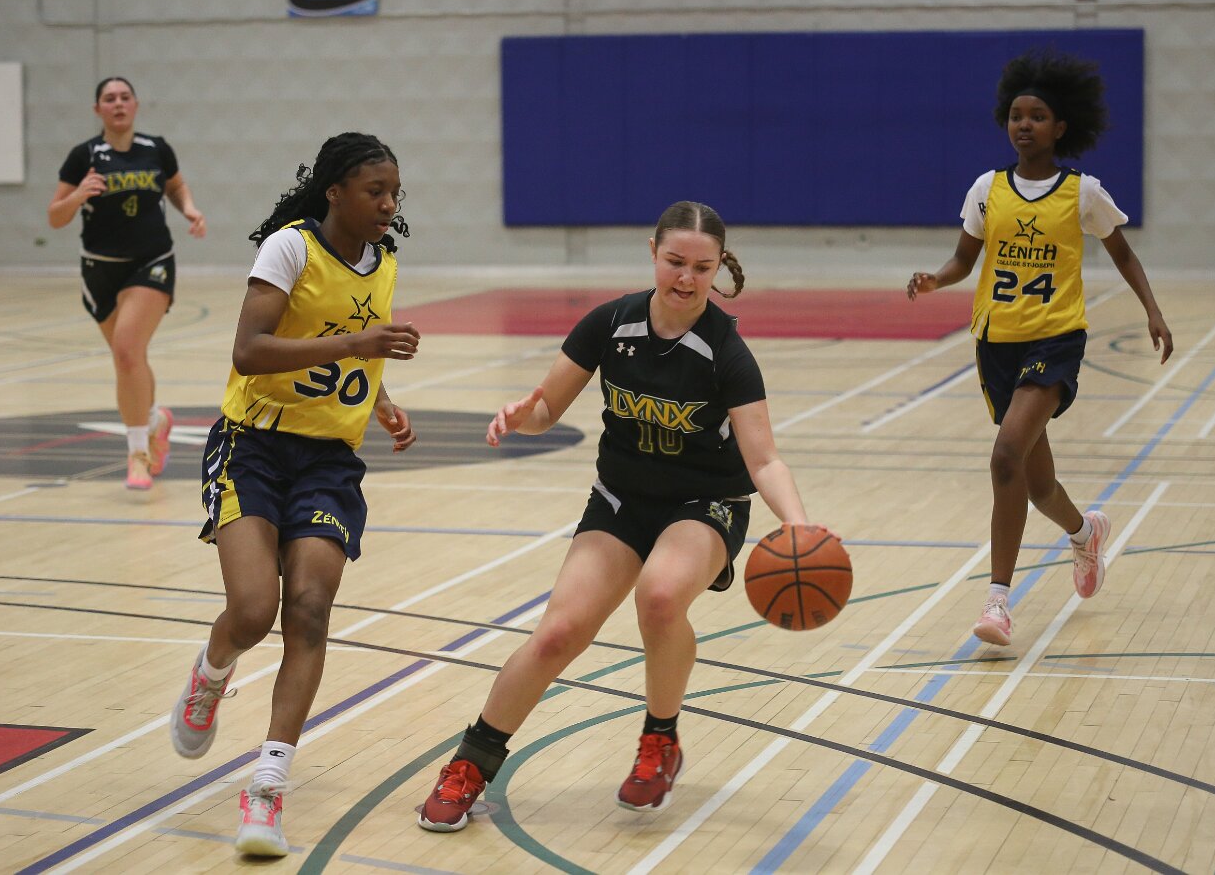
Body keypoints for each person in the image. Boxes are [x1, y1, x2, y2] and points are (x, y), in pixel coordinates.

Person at [416, 200, 814, 833]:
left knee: (660, 596)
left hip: (705, 504)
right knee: (558, 633)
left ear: (718, 268)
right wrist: (522, 417)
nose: (686, 278)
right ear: (652, 253)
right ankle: (470, 762)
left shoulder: (727, 352)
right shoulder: (609, 324)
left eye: (702, 268)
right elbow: (547, 409)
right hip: (622, 500)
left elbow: (763, 459)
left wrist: (797, 524)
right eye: (675, 262)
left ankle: (660, 740)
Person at [168, 132, 420, 856]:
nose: (388, 204)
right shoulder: (290, 248)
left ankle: (267, 788)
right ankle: (211, 673)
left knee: (308, 610)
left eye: (394, 192)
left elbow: (353, 343)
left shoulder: (384, 261)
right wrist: (356, 348)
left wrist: (380, 400)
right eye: (374, 191)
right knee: (253, 612)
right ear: (335, 191)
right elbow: (249, 351)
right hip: (253, 446)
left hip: (328, 461)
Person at [907, 49, 1173, 646]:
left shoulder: (1082, 193)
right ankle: (1084, 533)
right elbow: (963, 259)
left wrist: (1152, 311)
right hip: (996, 344)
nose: (1024, 124)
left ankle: (997, 602)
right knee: (1036, 483)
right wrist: (935, 280)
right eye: (1016, 115)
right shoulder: (987, 189)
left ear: (1061, 127)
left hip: (1055, 340)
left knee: (1005, 456)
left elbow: (1124, 253)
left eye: (1037, 116)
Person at [47, 76, 207, 490]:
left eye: (124, 97)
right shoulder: (83, 156)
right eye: (109, 98)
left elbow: (175, 185)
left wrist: (189, 209)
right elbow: (55, 216)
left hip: (151, 261)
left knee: (126, 350)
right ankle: (155, 420)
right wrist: (78, 195)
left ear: (135, 104)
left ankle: (137, 454)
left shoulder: (156, 148)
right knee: (129, 361)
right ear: (97, 109)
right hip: (100, 268)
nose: (118, 103)